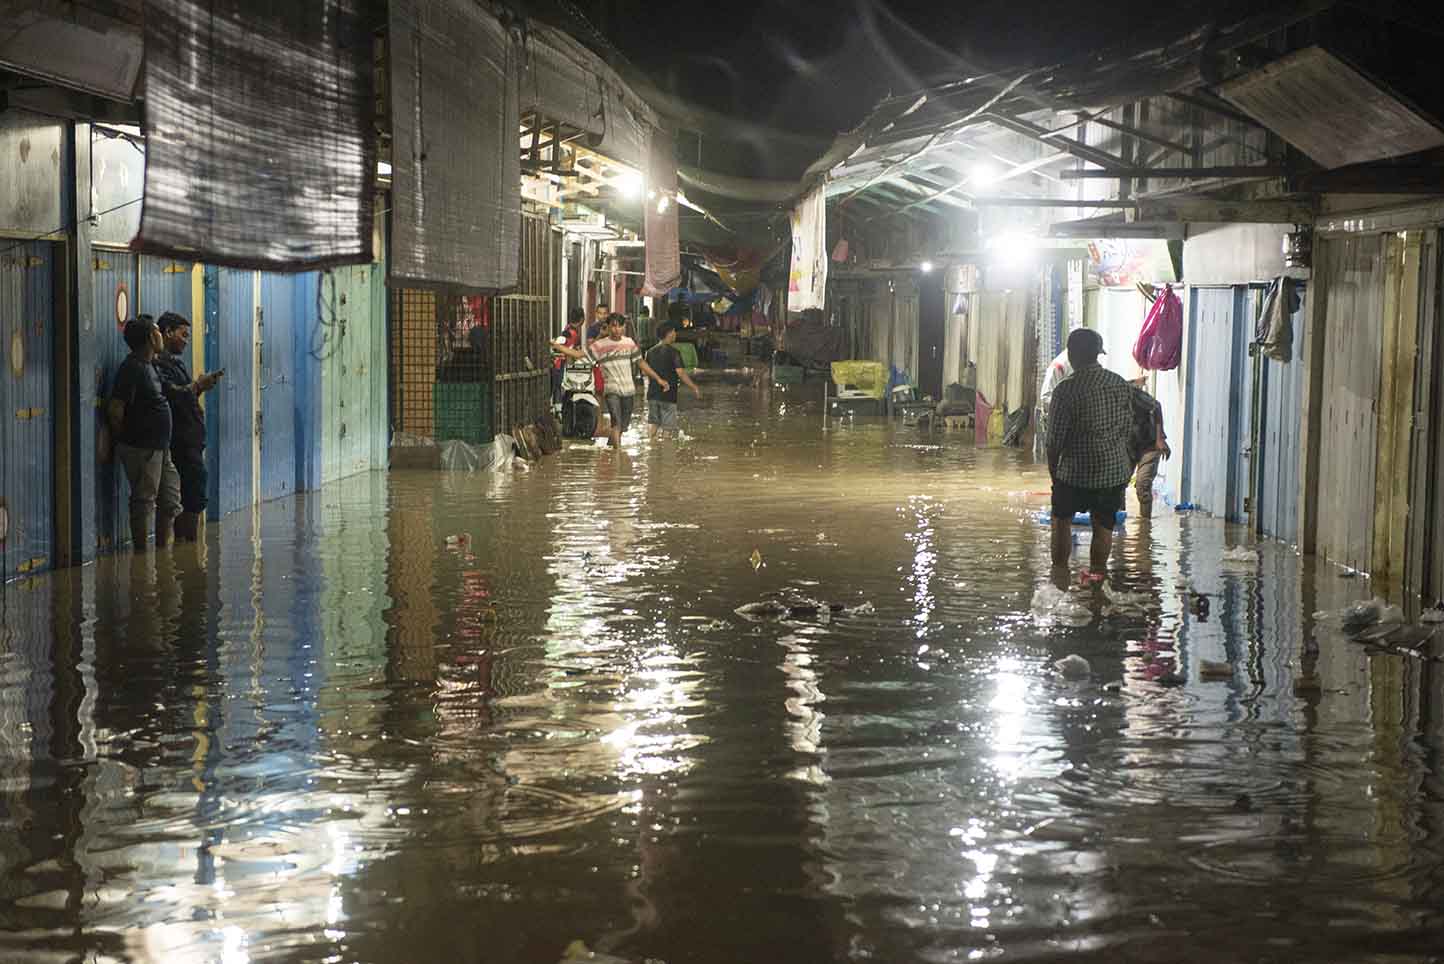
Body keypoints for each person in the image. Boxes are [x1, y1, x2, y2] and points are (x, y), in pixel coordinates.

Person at [1046, 328, 1133, 579]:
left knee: (1061, 520)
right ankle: (1097, 581)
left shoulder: (1065, 390)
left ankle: (1060, 576)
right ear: (1097, 354)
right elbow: (1127, 430)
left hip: (1074, 474)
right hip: (1112, 473)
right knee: (1103, 526)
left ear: (1071, 355)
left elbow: (1054, 442)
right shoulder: (1120, 384)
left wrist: (1055, 477)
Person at [107, 315, 182, 551]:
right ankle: (142, 558)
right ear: (151, 337)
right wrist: (127, 439)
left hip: (161, 447)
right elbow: (116, 409)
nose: (161, 336)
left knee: (170, 501)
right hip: (142, 448)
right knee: (144, 500)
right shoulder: (132, 368)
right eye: (158, 332)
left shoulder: (150, 366)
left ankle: (162, 555)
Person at [153, 312, 223, 542]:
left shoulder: (175, 364)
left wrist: (201, 387)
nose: (186, 340)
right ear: (167, 332)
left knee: (192, 496)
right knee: (190, 498)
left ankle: (187, 554)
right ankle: (186, 550)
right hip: (180, 444)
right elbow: (172, 395)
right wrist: (196, 385)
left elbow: (185, 396)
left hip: (190, 442)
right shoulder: (158, 365)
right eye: (183, 335)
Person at [556, 313, 668, 448]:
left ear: (624, 327)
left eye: (620, 326)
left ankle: (611, 447)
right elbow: (579, 355)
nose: (617, 329)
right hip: (611, 389)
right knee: (616, 422)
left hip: (628, 390)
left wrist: (658, 379)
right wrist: (558, 347)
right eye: (613, 326)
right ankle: (617, 458)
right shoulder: (600, 345)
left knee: (623, 426)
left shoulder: (629, 343)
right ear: (608, 327)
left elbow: (641, 363)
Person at [645, 322, 701, 438]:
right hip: (668, 395)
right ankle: (666, 453)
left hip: (652, 395)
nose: (675, 334)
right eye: (674, 331)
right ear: (669, 334)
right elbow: (680, 373)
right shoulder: (674, 353)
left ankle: (652, 449)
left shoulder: (649, 352)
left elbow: (645, 372)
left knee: (653, 424)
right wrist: (693, 387)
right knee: (668, 429)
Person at [1128, 377, 1171, 519]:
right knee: (1117, 486)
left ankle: (1145, 527)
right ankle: (1118, 526)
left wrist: (1159, 439)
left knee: (1142, 485)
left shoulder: (1129, 392)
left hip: (1150, 444)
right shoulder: (1099, 403)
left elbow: (1156, 406)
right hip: (1128, 447)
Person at [552, 307, 586, 403]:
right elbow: (559, 344)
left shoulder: (570, 329)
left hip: (562, 363)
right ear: (582, 320)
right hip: (560, 364)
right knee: (559, 387)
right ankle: (558, 408)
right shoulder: (570, 332)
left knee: (559, 387)